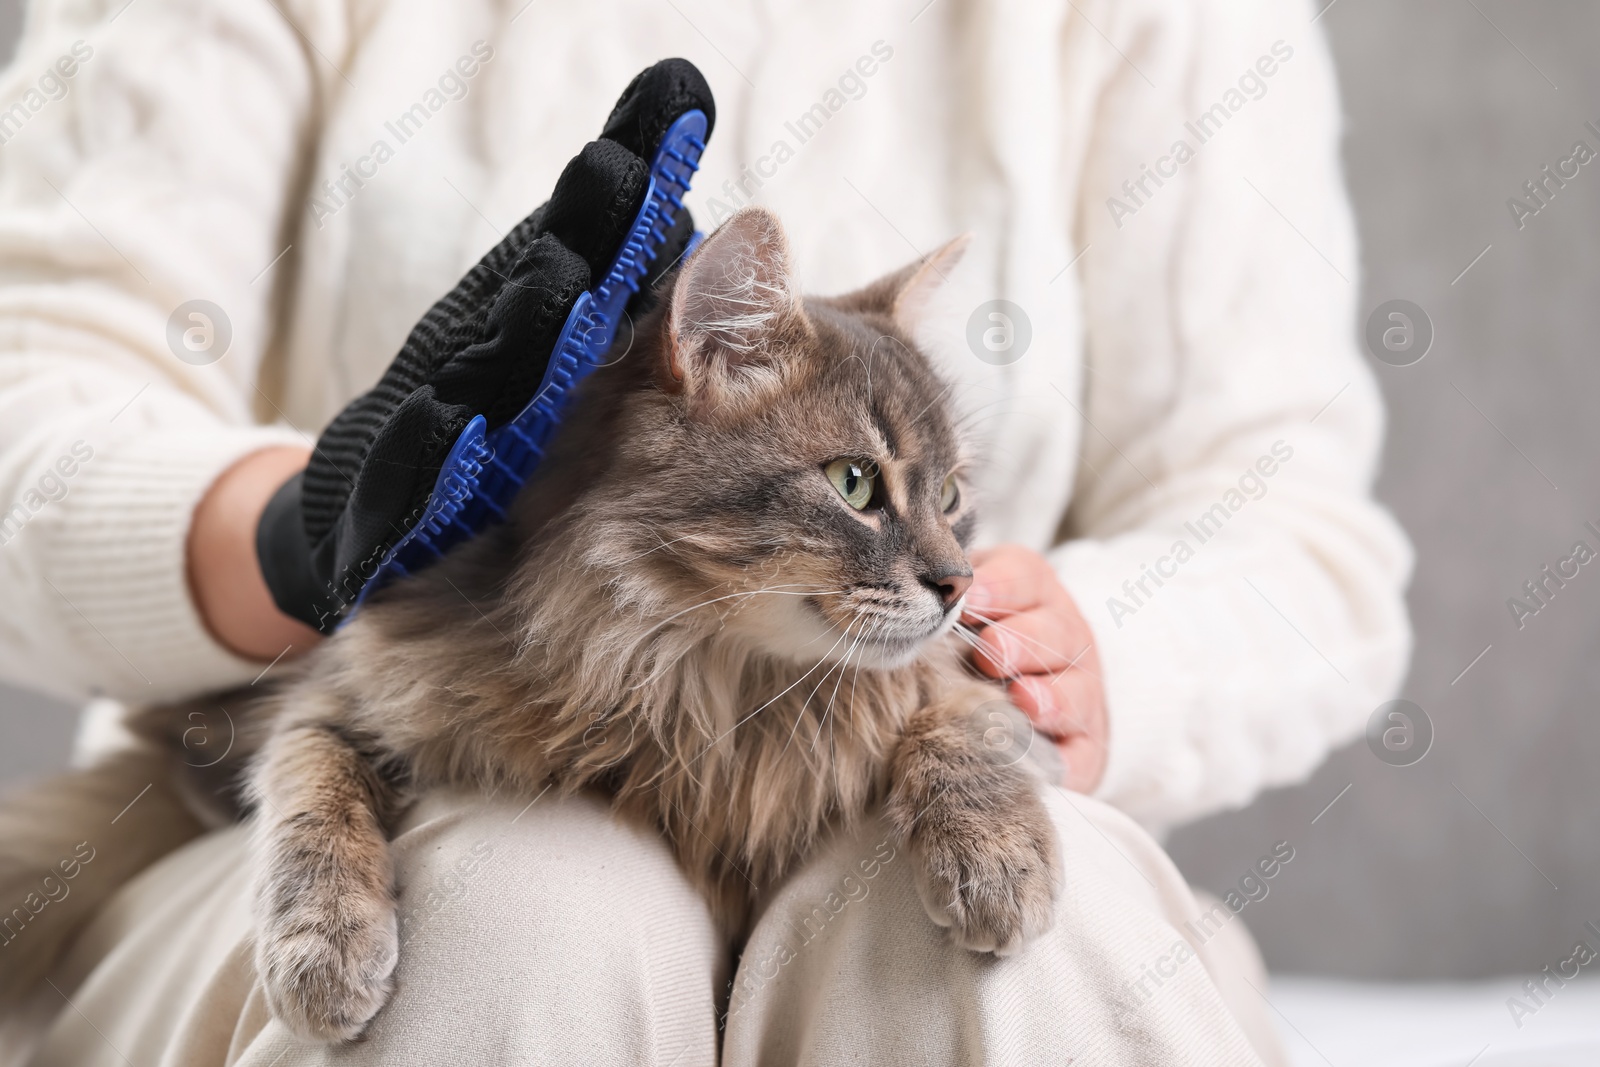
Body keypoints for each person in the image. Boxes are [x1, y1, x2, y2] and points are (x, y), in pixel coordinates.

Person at [0, 0, 1411, 1063]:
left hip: (890, 764)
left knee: (1009, 941)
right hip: (402, 782)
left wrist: (1093, 655)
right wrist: (297, 533)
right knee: (519, 911)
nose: (938, 552)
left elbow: (1301, 542)